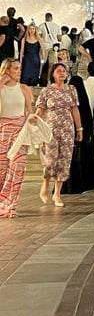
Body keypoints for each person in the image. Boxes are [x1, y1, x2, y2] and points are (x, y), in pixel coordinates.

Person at [36, 63, 83, 207]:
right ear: (53, 74)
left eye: (64, 71)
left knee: (64, 160)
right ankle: (45, 185)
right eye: (59, 71)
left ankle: (57, 194)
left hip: (67, 129)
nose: (62, 73)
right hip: (51, 129)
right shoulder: (46, 91)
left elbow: (74, 109)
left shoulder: (71, 89)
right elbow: (40, 110)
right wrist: (34, 122)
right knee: (50, 160)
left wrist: (79, 129)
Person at [0, 59, 35, 217]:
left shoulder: (24, 88)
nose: (19, 71)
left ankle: (11, 204)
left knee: (18, 168)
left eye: (19, 68)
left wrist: (32, 121)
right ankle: (1, 202)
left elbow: (29, 111)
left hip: (20, 132)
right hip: (2, 131)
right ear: (6, 70)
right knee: (2, 169)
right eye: (15, 68)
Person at [63, 75, 94, 194]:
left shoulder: (67, 98)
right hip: (82, 136)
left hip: (69, 134)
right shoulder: (84, 100)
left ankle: (67, 186)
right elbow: (88, 119)